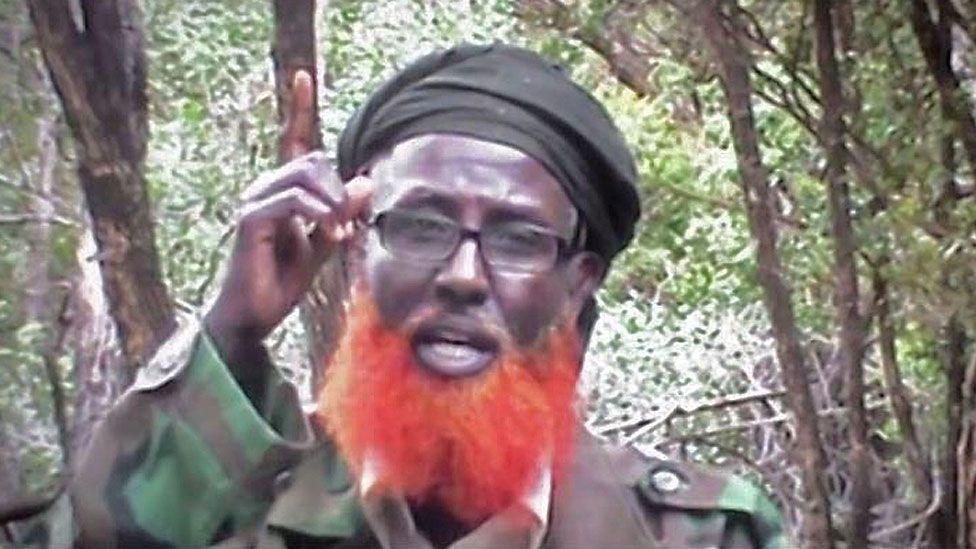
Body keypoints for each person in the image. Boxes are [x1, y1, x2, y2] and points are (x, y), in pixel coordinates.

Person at [6, 44, 784, 548]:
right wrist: (230, 332)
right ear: (356, 249)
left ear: (576, 283)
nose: (463, 275)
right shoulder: (230, 509)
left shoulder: (709, 531)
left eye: (517, 239)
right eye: (420, 224)